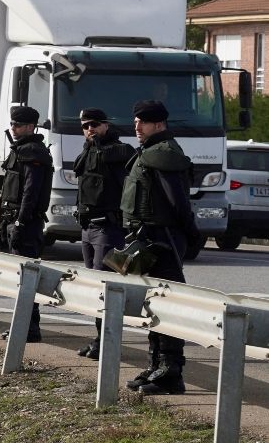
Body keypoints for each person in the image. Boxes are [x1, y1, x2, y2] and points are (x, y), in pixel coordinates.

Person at [122, 100, 202, 396]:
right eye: (135, 122)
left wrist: (192, 234)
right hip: (146, 239)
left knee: (167, 303)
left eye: (142, 122)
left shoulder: (165, 154)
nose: (137, 127)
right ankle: (156, 364)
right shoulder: (149, 152)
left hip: (162, 239)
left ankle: (171, 372)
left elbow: (178, 201)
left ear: (159, 124)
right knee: (152, 303)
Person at [73, 107, 135, 359]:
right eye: (86, 125)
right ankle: (99, 338)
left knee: (106, 287)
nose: (90, 129)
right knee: (93, 289)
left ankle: (108, 342)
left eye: (95, 125)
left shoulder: (118, 150)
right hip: (88, 227)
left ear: (106, 126)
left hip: (108, 228)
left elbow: (124, 159)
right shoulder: (88, 152)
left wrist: (98, 144)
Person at [0, 105, 53, 343]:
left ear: (30, 126)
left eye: (18, 125)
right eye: (12, 124)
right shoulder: (19, 150)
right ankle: (25, 326)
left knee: (26, 277)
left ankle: (28, 328)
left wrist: (20, 221)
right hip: (11, 219)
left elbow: (30, 191)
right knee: (19, 278)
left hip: (26, 223)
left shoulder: (33, 152)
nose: (14, 128)